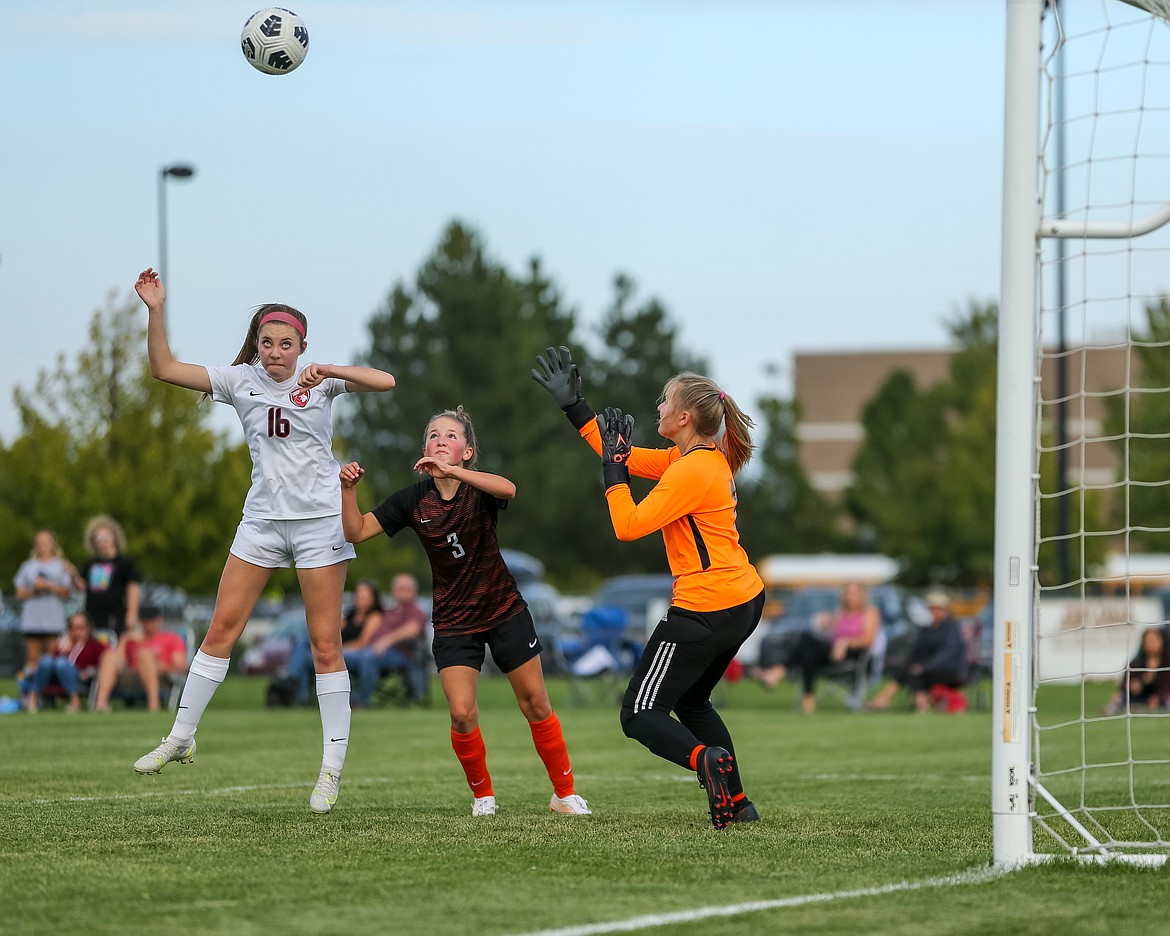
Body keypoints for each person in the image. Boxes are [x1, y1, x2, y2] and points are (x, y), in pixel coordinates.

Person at [129, 267, 396, 815]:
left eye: (287, 344)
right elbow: (162, 368)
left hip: (321, 520)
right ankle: (181, 736)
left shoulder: (320, 380)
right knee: (221, 630)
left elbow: (386, 381)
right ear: (257, 345)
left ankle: (330, 771)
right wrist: (155, 309)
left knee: (326, 645)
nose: (276, 352)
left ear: (302, 347)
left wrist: (329, 369)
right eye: (268, 342)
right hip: (263, 520)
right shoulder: (239, 380)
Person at [532, 346, 765, 830]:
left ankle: (706, 761)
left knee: (638, 713)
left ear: (682, 417)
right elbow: (620, 452)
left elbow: (628, 524)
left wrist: (611, 475)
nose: (656, 406)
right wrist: (576, 407)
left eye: (664, 400)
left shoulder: (691, 470)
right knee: (692, 701)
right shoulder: (699, 457)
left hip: (707, 606)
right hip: (741, 598)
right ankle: (737, 801)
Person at [340, 405, 591, 817]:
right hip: (455, 620)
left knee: (535, 703)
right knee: (461, 713)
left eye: (451, 436)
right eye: (434, 435)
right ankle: (483, 797)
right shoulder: (412, 499)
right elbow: (356, 531)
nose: (441, 440)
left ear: (467, 452)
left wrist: (454, 474)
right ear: (424, 448)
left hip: (504, 608)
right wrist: (348, 489)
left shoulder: (479, 487)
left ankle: (563, 794)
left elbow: (508, 489)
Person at [750, 580, 880, 714]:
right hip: (834, 654)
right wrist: (823, 624)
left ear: (862, 595)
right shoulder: (839, 614)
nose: (849, 596)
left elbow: (868, 639)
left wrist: (845, 642)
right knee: (808, 650)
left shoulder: (870, 613)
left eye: (853, 593)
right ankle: (806, 701)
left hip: (855, 655)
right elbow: (829, 636)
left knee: (807, 643)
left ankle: (779, 674)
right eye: (848, 593)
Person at [865, 590, 968, 713]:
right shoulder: (926, 629)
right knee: (911, 668)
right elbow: (916, 651)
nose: (935, 611)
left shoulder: (952, 629)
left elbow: (948, 654)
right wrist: (917, 665)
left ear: (946, 610)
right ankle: (916, 702)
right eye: (933, 608)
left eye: (939, 608)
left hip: (949, 670)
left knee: (914, 671)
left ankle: (888, 700)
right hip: (928, 668)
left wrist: (926, 667)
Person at [287, 580, 384, 707]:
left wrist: (337, 649)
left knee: (306, 656)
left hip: (352, 653)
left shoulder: (374, 617)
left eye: (365, 596)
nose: (361, 600)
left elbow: (362, 643)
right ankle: (297, 687)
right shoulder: (350, 614)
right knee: (304, 641)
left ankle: (293, 681)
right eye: (359, 596)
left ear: (374, 598)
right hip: (336, 651)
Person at [13, 529, 83, 684]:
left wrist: (48, 585)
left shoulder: (61, 565)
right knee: (32, 659)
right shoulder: (28, 566)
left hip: (53, 619)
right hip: (32, 619)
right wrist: (35, 591)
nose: (43, 545)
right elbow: (19, 592)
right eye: (40, 542)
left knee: (54, 657)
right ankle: (31, 693)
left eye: (46, 541)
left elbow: (67, 592)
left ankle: (51, 691)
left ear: (53, 544)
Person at [92, 606, 188, 712]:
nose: (147, 624)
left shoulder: (171, 638)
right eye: (144, 620)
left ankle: (153, 705)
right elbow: (118, 661)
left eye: (150, 620)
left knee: (145, 654)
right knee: (109, 655)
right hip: (131, 676)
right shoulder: (133, 638)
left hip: (160, 678)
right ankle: (101, 704)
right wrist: (125, 639)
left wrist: (154, 664)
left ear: (158, 620)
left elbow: (180, 666)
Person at [359, 573, 429, 703]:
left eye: (406, 589)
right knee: (343, 657)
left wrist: (386, 641)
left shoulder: (415, 610)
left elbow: (412, 629)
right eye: (399, 588)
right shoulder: (389, 610)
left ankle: (362, 702)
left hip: (401, 654)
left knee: (368, 658)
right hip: (372, 650)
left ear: (414, 591)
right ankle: (347, 700)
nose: (402, 592)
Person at [23, 611, 108, 713]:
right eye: (74, 628)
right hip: (56, 675)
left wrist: (89, 671)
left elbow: (104, 663)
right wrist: (63, 650)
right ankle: (33, 699)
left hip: (80, 676)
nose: (77, 632)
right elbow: (52, 660)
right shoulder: (65, 644)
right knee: (46, 660)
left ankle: (75, 701)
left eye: (81, 628)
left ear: (88, 628)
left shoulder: (95, 645)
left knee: (61, 663)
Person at [79, 515, 142, 637]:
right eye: (98, 538)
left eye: (105, 537)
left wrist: (132, 614)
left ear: (114, 538)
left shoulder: (125, 563)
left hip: (116, 616)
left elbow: (133, 589)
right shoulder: (89, 564)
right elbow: (82, 585)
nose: (102, 542)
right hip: (93, 616)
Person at [1103, 626, 1170, 715]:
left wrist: (1159, 697)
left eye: (1154, 640)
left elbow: (1167, 686)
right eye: (1149, 641)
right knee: (1121, 699)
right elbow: (1124, 685)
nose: (1152, 644)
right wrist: (1132, 686)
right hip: (1138, 698)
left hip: (1160, 698)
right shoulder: (1135, 663)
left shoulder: (1167, 662)